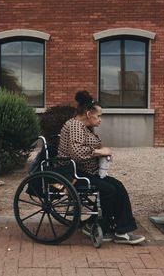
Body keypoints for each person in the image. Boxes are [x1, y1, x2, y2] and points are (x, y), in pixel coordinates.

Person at [57, 90, 145, 245]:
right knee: (109, 190)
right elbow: (77, 152)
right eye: (98, 116)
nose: (100, 120)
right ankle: (99, 226)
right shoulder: (76, 126)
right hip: (74, 174)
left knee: (118, 186)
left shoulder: (84, 127)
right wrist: (99, 151)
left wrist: (102, 153)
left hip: (87, 171)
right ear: (89, 113)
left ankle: (122, 230)